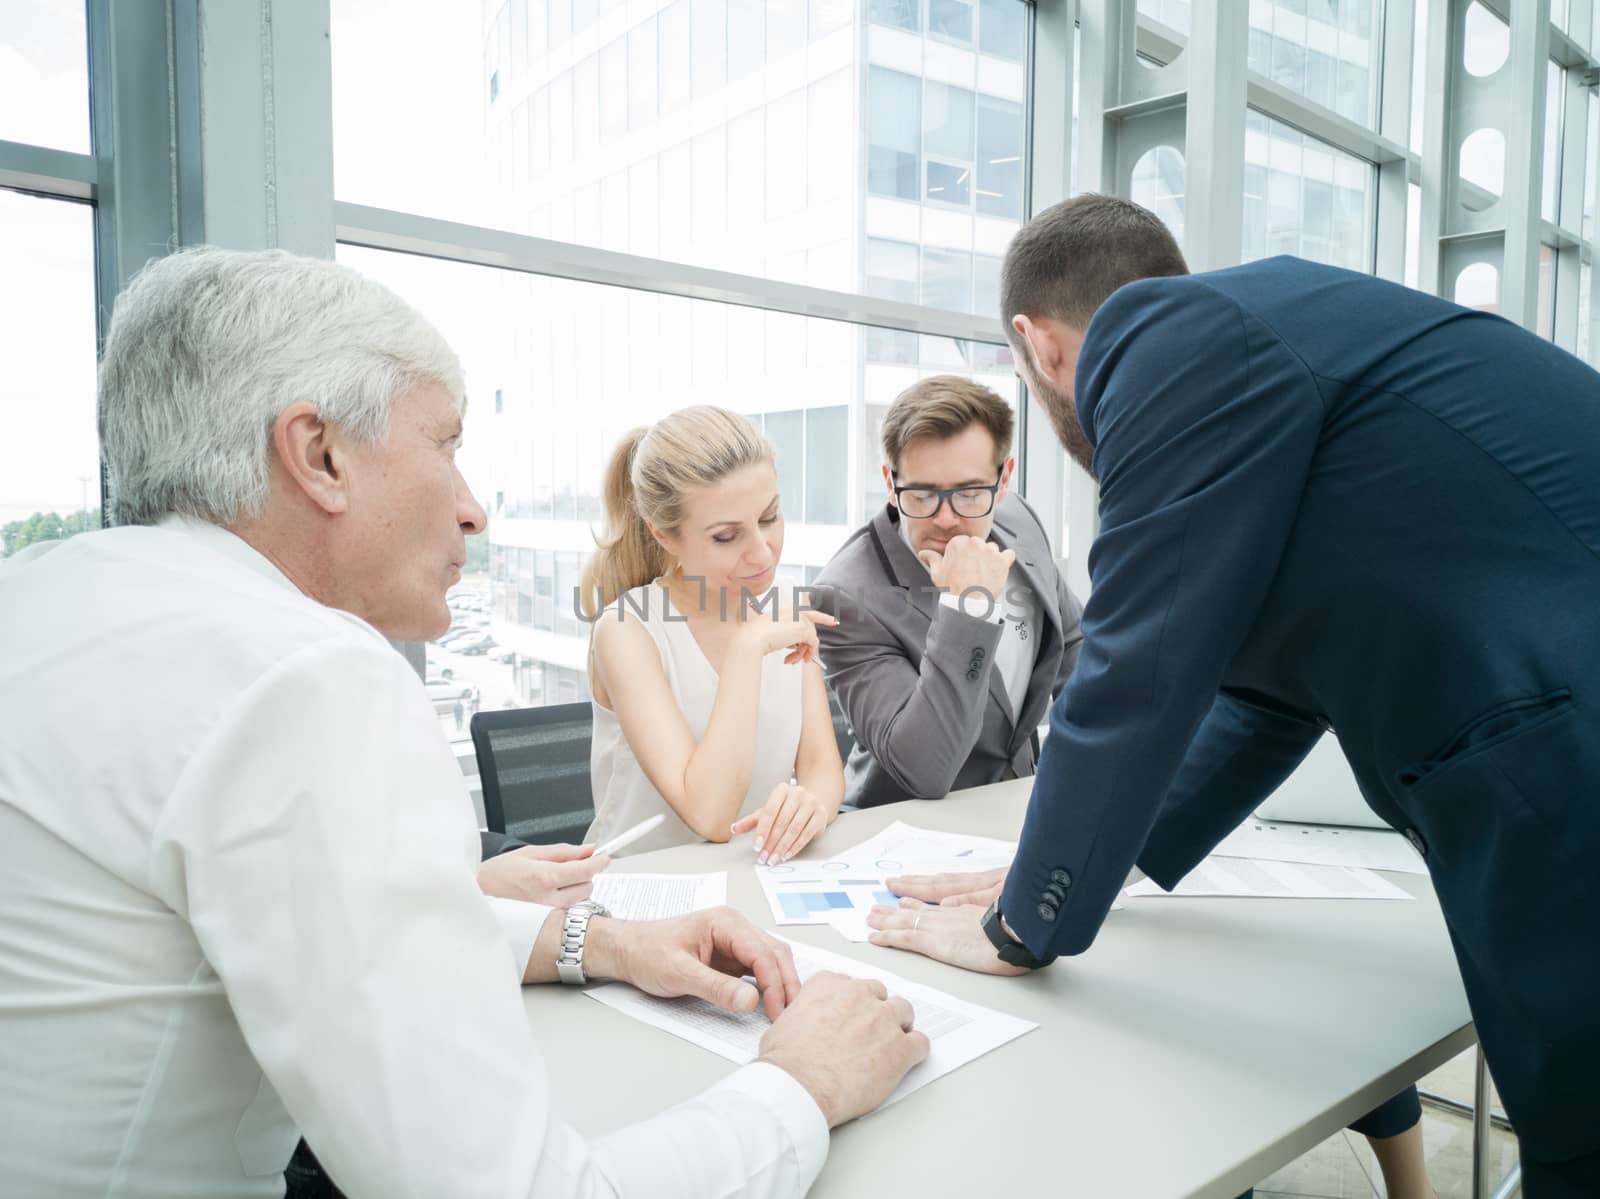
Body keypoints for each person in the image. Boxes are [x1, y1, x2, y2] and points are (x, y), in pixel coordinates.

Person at [0, 247, 929, 1198]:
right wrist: (801, 1086)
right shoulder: (306, 677)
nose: (474, 509)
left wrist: (604, 942)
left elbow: (337, 926)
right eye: (444, 444)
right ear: (318, 454)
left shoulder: (47, 596)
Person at [865, 194, 1600, 1195]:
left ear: (1036, 346)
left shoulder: (1164, 335)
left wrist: (1024, 922)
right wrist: (1084, 864)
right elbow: (1260, 699)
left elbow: (1131, 668)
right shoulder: (1272, 361)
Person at [581, 407, 846, 863]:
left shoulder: (785, 606)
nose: (762, 552)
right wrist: (747, 648)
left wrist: (812, 805)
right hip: (642, 894)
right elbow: (709, 814)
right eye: (727, 536)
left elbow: (822, 768)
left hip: (753, 877)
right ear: (664, 536)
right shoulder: (627, 630)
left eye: (769, 517)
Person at [812, 376, 1083, 809]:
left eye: (971, 492)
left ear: (1005, 478)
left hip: (1022, 809)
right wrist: (968, 608)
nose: (946, 518)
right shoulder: (845, 595)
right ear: (889, 482)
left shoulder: (1019, 520)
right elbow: (924, 770)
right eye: (922, 495)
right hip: (901, 833)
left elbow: (1073, 645)